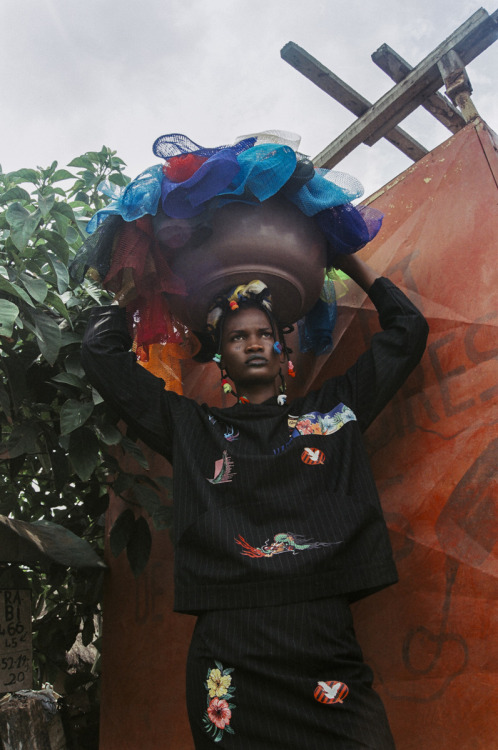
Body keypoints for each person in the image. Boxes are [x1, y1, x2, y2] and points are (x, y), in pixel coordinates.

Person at [81, 251, 428, 749]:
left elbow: (408, 332)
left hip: (322, 640)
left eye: (265, 334)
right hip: (231, 652)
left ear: (285, 352)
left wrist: (348, 262)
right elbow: (102, 360)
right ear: (222, 357)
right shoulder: (194, 429)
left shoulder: (333, 414)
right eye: (238, 337)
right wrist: (134, 288)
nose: (254, 344)